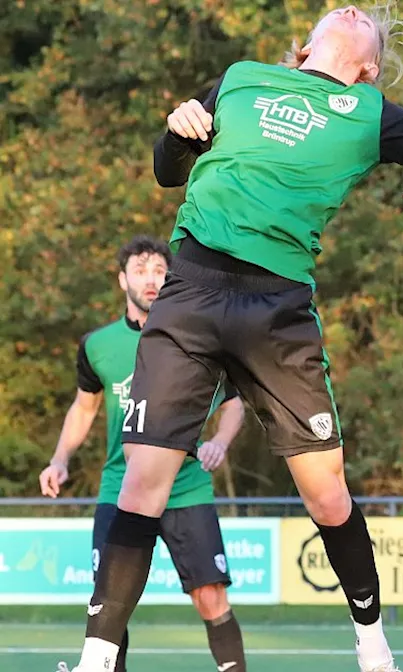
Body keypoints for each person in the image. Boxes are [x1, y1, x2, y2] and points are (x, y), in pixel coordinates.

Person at [61, 5, 403, 672]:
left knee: (326, 492)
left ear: (370, 66)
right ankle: (97, 659)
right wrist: (178, 131)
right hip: (193, 289)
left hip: (277, 307)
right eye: (342, 5)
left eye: (368, 21)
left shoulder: (368, 109)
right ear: (306, 43)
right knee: (141, 487)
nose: (353, 7)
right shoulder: (242, 77)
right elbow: (167, 170)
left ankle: (371, 639)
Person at [41, 236, 247, 672]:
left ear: (170, 277)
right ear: (122, 279)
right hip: (121, 489)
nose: (150, 279)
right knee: (111, 606)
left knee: (210, 598)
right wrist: (60, 459)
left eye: (158, 270)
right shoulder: (97, 345)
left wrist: (219, 442)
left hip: (186, 487)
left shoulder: (199, 339)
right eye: (140, 270)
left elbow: (233, 403)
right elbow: (84, 408)